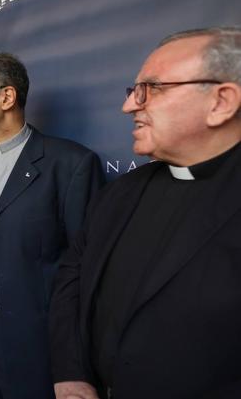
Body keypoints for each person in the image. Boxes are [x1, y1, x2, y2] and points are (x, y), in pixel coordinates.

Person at [50, 27, 241, 399]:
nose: (129, 106)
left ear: (221, 102)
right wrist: (70, 374)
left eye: (151, 89)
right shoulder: (118, 194)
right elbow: (71, 280)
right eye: (133, 91)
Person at [0, 52, 103, 399]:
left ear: (6, 96)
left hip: (30, 338)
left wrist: (75, 358)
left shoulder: (71, 165)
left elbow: (85, 271)